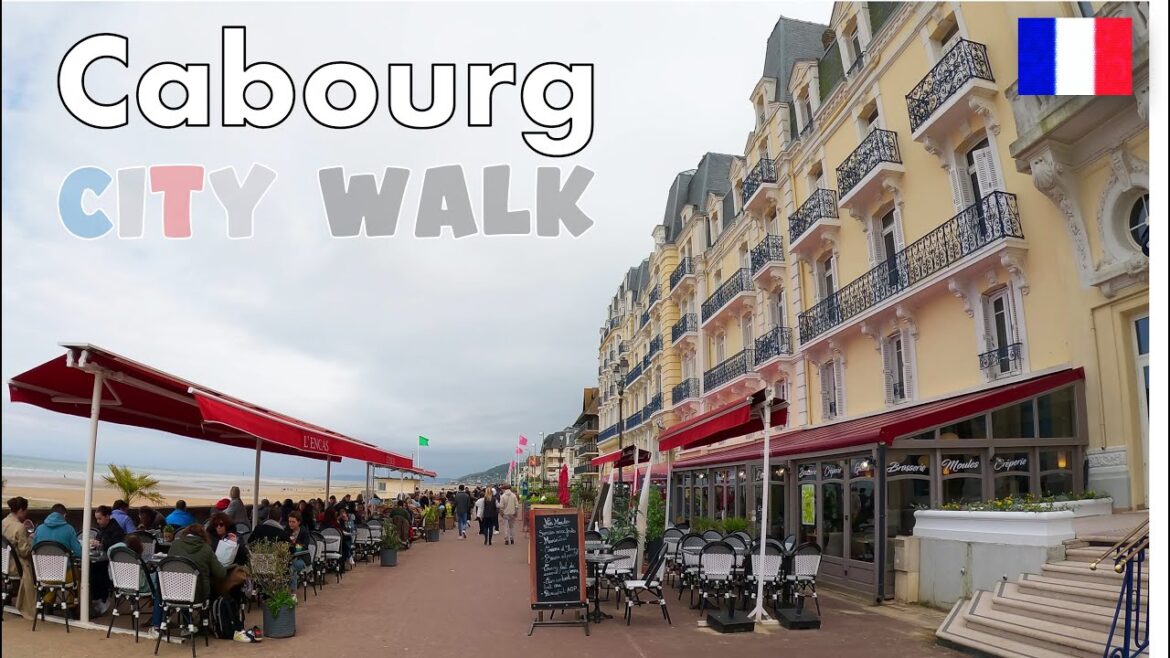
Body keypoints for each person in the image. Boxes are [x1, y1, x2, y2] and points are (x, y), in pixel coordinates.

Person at [3, 496, 37, 619]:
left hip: (4, 563)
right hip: (16, 566)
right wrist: (31, 540)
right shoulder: (19, 527)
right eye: (26, 511)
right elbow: (24, 552)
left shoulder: (4, 522)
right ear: (21, 510)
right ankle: (34, 605)